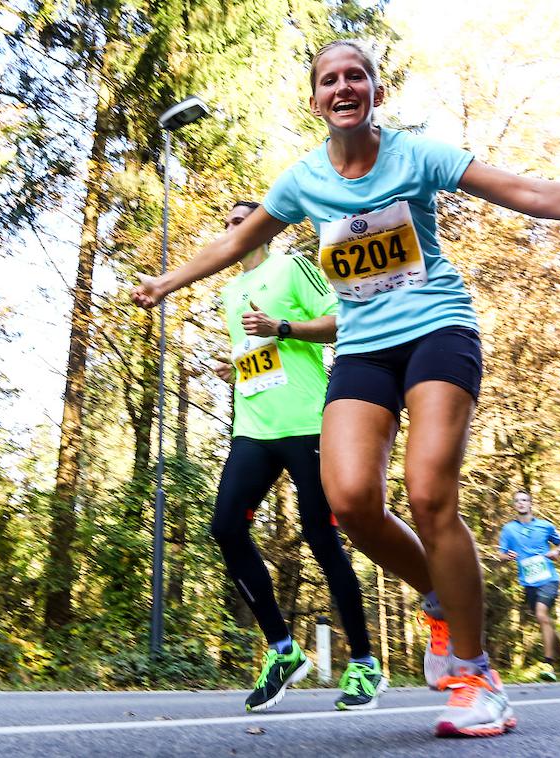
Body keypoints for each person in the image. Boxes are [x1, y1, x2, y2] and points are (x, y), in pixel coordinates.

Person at [132, 40, 560, 738]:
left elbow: (529, 192)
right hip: (362, 346)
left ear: (375, 91)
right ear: (314, 99)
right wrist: (166, 281)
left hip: (439, 329)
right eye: (330, 79)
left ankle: (476, 674)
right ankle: (442, 597)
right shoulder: (304, 180)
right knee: (349, 500)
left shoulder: (418, 156)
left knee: (429, 490)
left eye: (357, 76)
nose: (344, 87)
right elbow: (234, 244)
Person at [203, 201, 382, 712]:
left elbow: (338, 323)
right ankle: (283, 649)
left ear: (264, 227)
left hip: (307, 422)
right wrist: (236, 368)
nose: (234, 228)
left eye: (243, 221)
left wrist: (283, 326)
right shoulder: (228, 291)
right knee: (225, 527)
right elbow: (261, 356)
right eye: (229, 223)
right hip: (253, 427)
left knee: (322, 538)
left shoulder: (290, 266)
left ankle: (365, 663)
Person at [497, 491, 560, 686]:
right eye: (517, 501)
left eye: (524, 500)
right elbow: (500, 555)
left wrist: (556, 552)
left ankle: (548, 664)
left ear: (531, 504)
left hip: (549, 579)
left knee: (543, 615)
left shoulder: (545, 525)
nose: (521, 503)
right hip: (528, 582)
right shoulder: (508, 530)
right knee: (546, 623)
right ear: (514, 505)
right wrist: (506, 557)